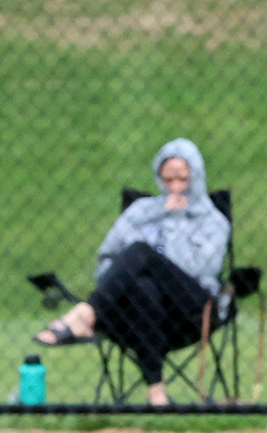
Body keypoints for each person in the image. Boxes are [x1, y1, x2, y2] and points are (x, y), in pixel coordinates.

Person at [33, 139, 230, 406]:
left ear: (197, 177)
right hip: (141, 312)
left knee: (140, 251)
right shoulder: (140, 212)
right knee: (143, 289)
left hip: (192, 308)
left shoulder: (214, 222)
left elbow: (197, 270)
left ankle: (85, 314)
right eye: (167, 180)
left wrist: (173, 223)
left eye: (183, 180)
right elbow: (106, 260)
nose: (175, 188)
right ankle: (156, 392)